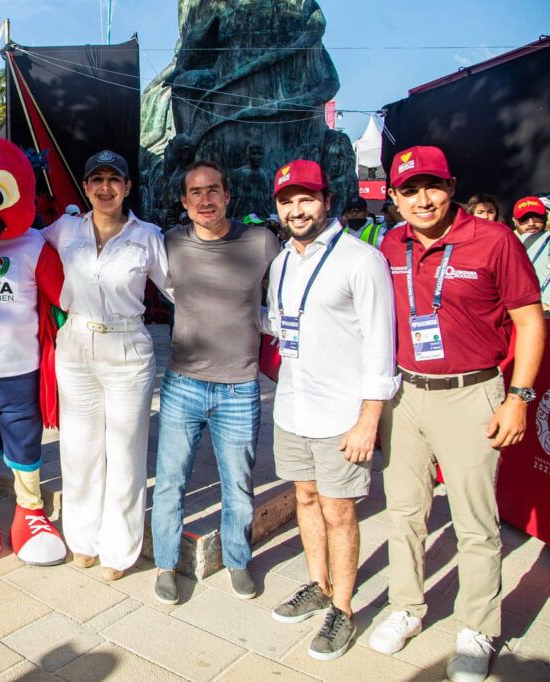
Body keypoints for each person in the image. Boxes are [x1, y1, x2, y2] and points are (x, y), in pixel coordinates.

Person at [370, 146, 545, 682]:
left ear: (451, 187)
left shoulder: (494, 239)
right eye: (409, 190)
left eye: (433, 187)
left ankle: (477, 626)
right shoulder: (390, 242)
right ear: (394, 198)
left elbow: (531, 322)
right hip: (406, 394)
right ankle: (406, 606)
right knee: (403, 511)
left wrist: (519, 397)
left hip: (473, 392)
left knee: (473, 520)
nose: (423, 200)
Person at [265, 160, 398, 661]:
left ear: (325, 200)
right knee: (303, 499)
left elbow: (380, 347)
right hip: (293, 407)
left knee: (339, 510)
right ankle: (317, 584)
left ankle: (342, 608)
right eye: (287, 200)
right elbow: (280, 326)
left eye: (306, 199)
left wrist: (369, 419)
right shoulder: (281, 262)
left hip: (342, 414)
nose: (297, 210)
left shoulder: (361, 260)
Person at [151, 160, 280, 604]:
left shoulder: (261, 242)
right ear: (185, 202)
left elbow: (285, 295)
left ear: (228, 196)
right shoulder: (170, 244)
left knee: (239, 485)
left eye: (213, 190)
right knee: (170, 480)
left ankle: (238, 561)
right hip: (182, 383)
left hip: (239, 387)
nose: (205, 200)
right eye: (195, 193)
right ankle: (167, 563)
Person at [42, 150, 169, 581]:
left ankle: (119, 549)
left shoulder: (148, 235)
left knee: (125, 451)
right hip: (75, 346)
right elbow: (20, 240)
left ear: (128, 187)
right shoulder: (65, 229)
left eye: (114, 179)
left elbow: (177, 288)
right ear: (85, 186)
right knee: (78, 449)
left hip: (126, 348)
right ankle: (82, 539)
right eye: (96, 179)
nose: (105, 187)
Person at [513, 197, 550, 309]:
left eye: (537, 217)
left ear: (545, 218)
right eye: (524, 218)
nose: (531, 223)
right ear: (515, 221)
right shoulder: (502, 242)